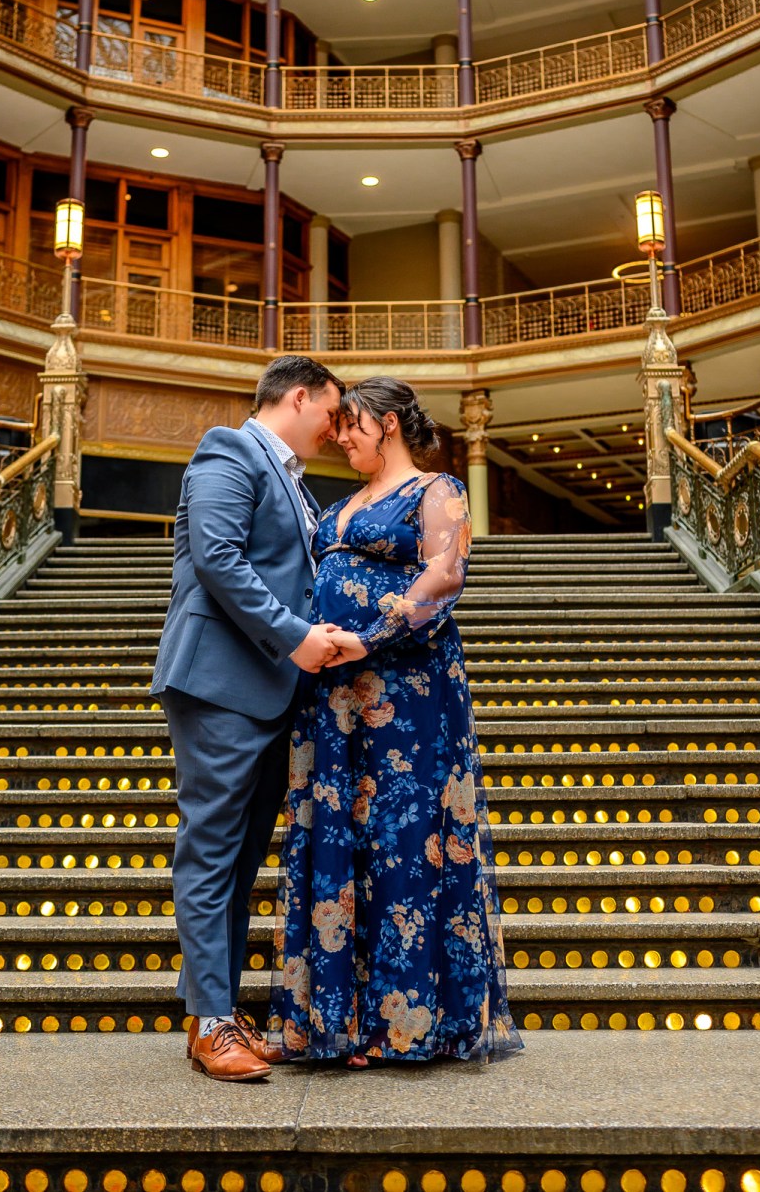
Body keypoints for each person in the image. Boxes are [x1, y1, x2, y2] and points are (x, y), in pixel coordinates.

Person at [267, 376, 522, 1066]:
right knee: (338, 836)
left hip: (405, 693)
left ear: (386, 424)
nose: (340, 438)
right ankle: (336, 1021)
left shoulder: (437, 489)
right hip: (334, 696)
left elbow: (447, 573)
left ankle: (400, 1023)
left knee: (401, 838)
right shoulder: (339, 504)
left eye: (351, 424)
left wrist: (371, 636)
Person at [150, 354, 344, 1082]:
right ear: (298, 396)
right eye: (330, 413)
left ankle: (218, 1012)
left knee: (238, 858)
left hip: (267, 690)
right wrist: (296, 637)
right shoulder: (228, 450)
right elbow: (218, 558)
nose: (335, 429)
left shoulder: (295, 480)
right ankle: (210, 1024)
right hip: (220, 682)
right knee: (211, 852)